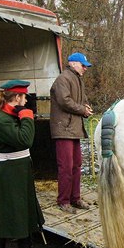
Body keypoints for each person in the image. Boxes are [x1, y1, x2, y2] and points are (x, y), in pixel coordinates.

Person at [0, 79, 52, 248]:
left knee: (25, 213)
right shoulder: (0, 120)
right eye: (24, 97)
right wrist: (28, 118)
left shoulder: (11, 116)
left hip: (19, 172)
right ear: (17, 98)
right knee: (1, 219)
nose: (26, 101)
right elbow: (25, 140)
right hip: (4, 175)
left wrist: (23, 117)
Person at [50, 52, 94, 214]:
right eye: (83, 65)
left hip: (74, 128)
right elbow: (64, 101)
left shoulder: (77, 79)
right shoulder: (63, 79)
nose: (85, 68)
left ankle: (75, 198)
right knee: (66, 167)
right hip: (64, 129)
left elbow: (82, 99)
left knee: (77, 165)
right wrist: (83, 110)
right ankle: (63, 201)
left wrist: (87, 106)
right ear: (73, 63)